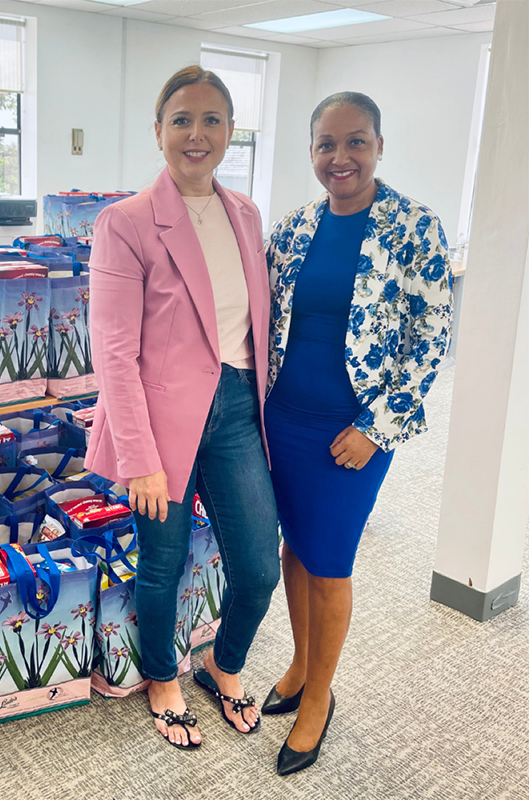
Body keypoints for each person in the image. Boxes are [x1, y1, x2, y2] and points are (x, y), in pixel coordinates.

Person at [84, 65, 280, 750]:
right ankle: (162, 677)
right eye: (182, 120)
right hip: (161, 422)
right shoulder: (126, 222)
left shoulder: (245, 213)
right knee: (162, 564)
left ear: (231, 131)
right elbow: (114, 351)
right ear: (159, 131)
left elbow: (255, 326)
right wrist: (139, 457)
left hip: (236, 409)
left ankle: (222, 664)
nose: (197, 134)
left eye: (212, 120)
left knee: (259, 567)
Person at [263, 92, 453, 775]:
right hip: (282, 418)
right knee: (294, 547)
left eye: (356, 142)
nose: (340, 157)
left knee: (330, 561)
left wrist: (378, 428)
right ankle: (298, 664)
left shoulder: (414, 227)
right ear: (311, 150)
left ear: (378, 146)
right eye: (326, 144)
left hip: (353, 434)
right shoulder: (293, 228)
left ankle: (319, 696)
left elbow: (432, 335)